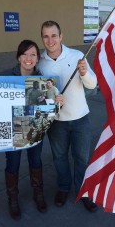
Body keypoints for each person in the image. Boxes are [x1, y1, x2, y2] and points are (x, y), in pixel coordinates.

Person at [0, 39, 63, 220]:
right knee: (12, 164)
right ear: (19, 57)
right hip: (11, 130)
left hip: (34, 128)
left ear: (37, 58)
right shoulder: (4, 77)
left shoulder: (44, 81)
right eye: (25, 54)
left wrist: (57, 101)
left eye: (33, 54)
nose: (28, 58)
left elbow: (50, 103)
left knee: (35, 161)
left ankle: (38, 193)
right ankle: (12, 198)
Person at [38, 20, 98, 212]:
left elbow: (92, 85)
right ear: (42, 39)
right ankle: (63, 188)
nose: (50, 40)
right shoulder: (39, 61)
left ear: (61, 36)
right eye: (46, 36)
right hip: (56, 122)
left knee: (81, 158)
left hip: (80, 118)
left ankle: (83, 191)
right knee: (59, 158)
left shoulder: (78, 56)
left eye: (54, 35)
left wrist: (85, 73)